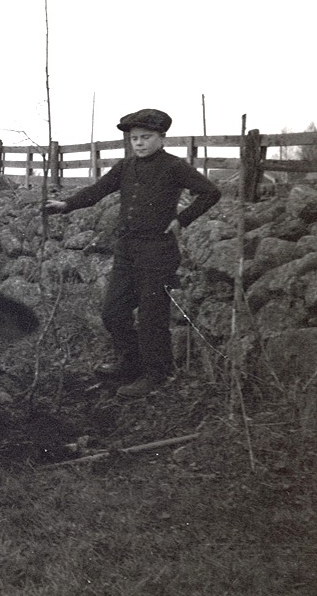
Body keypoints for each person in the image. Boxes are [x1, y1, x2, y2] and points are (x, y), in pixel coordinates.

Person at [43, 108, 220, 397]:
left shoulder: (174, 167)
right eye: (134, 138)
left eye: (146, 137)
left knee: (152, 317)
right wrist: (67, 205)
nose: (138, 143)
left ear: (161, 137)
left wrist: (182, 219)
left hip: (158, 251)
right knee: (113, 313)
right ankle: (131, 363)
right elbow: (97, 190)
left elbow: (211, 192)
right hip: (127, 249)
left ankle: (156, 375)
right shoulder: (125, 167)